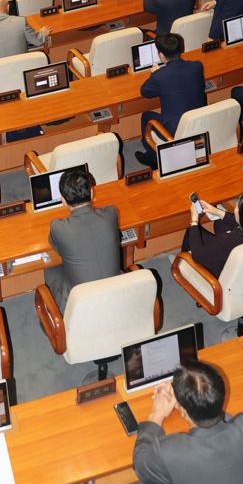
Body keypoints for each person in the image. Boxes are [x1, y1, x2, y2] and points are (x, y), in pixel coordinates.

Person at [45, 166, 121, 310]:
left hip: (81, 305)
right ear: (91, 193)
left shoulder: (58, 227)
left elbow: (56, 248)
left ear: (63, 201)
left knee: (50, 269)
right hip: (115, 293)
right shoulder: (111, 213)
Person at [181, 187, 243, 279]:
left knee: (191, 232)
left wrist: (194, 221)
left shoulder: (227, 241)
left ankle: (182, 267)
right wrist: (217, 212)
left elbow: (198, 255)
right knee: (220, 223)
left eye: (237, 207)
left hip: (226, 276)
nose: (235, 208)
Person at [136, 33, 206, 166]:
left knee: (147, 116)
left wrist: (156, 74)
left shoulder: (160, 76)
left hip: (175, 130)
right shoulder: (197, 66)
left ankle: (153, 157)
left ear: (161, 55)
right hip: (199, 122)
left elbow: (145, 92)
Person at [0, 0, 49, 77]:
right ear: (8, 7)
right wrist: (43, 32)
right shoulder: (20, 21)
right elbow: (37, 41)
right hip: (22, 71)